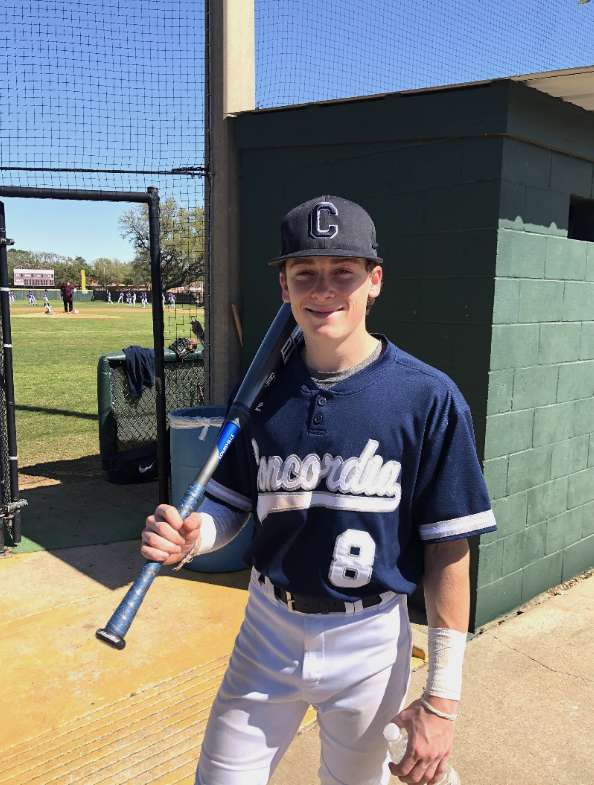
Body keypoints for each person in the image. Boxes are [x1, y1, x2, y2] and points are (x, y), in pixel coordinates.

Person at [141, 195, 496, 785]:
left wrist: (442, 700)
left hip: (370, 638)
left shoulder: (428, 398)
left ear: (374, 280)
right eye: (305, 272)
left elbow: (448, 552)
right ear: (284, 286)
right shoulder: (261, 393)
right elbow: (230, 504)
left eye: (343, 272)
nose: (323, 289)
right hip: (266, 631)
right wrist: (192, 537)